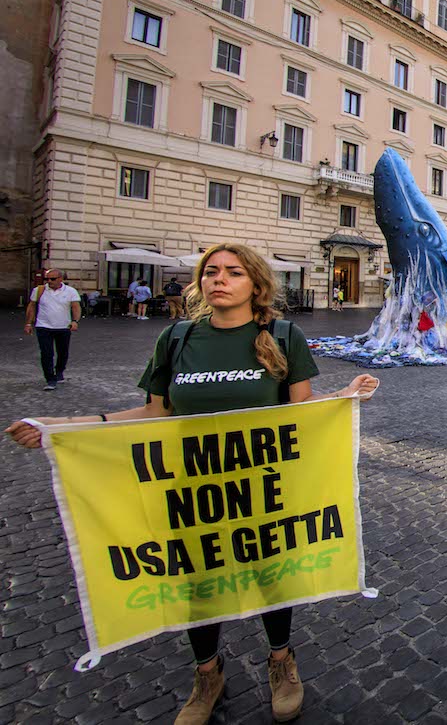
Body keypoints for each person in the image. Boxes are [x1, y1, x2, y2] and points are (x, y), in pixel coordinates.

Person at [6, 243, 380, 724]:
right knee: (199, 582)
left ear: (256, 284)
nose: (218, 279)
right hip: (190, 487)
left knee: (271, 576)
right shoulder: (177, 338)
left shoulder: (284, 337)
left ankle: (281, 661)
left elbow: (299, 414)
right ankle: (208, 673)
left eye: (233, 272)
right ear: (200, 281)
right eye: (211, 272)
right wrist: (63, 426)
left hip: (261, 485)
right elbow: (153, 414)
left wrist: (344, 399)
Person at [24, 268, 80, 391]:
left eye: (53, 279)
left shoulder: (70, 291)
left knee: (63, 352)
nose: (49, 281)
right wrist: (28, 323)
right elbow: (32, 306)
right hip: (43, 326)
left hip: (63, 327)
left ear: (61, 279)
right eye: (47, 279)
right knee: (46, 353)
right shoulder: (39, 290)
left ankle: (59, 371)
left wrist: (75, 321)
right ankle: (50, 379)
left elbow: (75, 307)